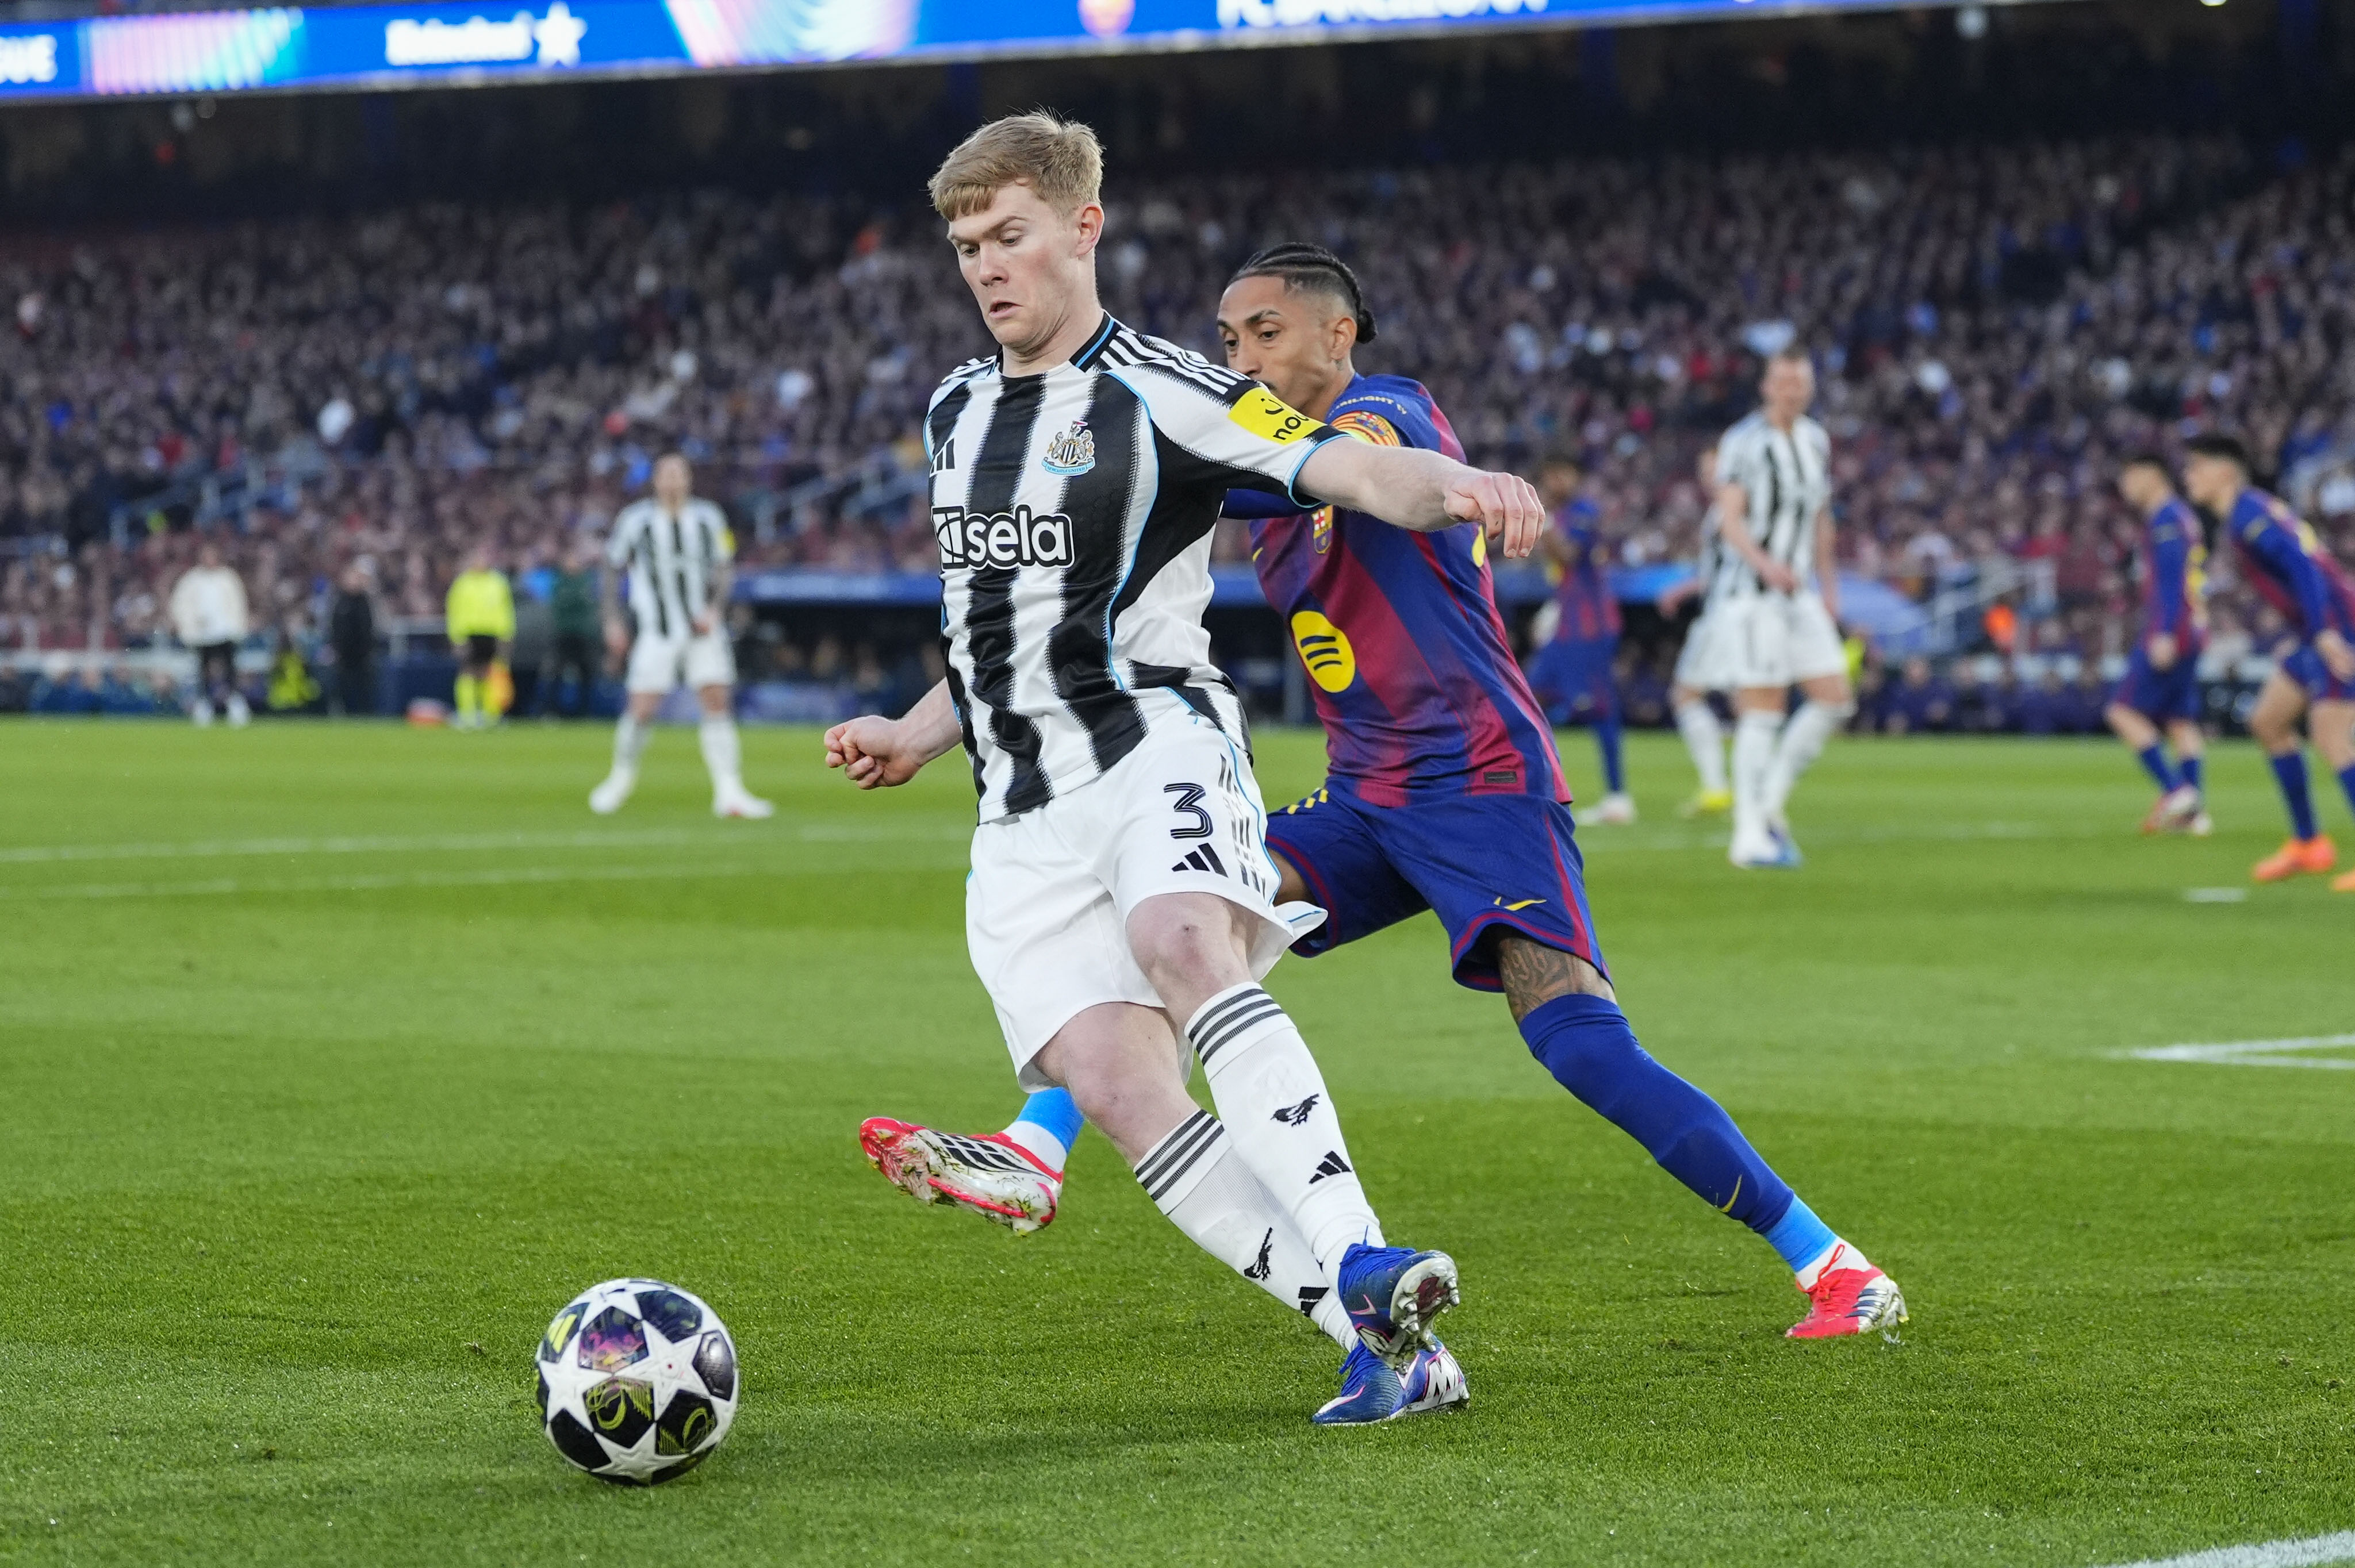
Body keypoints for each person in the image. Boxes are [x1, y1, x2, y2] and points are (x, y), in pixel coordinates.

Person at [858, 237, 1908, 1367]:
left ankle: (1832, 1262)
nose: (1240, 356)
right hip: (1363, 796)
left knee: (1574, 1038)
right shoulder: (1254, 463)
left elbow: (1381, 464)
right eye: (1225, 340)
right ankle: (1040, 1140)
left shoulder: (1382, 413)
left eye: (1263, 332)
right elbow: (1071, 610)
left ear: (1335, 334)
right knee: (1174, 917)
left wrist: (1456, 483)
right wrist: (924, 729)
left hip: (1479, 784)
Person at [826, 121, 1552, 1425]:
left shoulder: (1167, 390)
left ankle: (1363, 1245)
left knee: (1182, 935)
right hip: (1019, 817)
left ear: (1082, 227)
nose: (988, 268)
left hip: (1155, 739)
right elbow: (999, 631)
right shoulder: (954, 409)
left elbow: (1357, 464)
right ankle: (1378, 1339)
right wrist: (914, 730)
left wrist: (1465, 482)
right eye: (967, 246)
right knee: (1116, 1087)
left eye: (1010, 237)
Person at [2178, 434, 2355, 889]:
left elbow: (2305, 568)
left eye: (2198, 466)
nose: (2189, 475)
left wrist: (2325, 632)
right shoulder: (2247, 513)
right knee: (2269, 722)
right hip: (2317, 629)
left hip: (2339, 626)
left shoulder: (2250, 516)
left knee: (2332, 735)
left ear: (2227, 471)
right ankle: (2308, 843)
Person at [1716, 351, 1852, 870]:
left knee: (1835, 699)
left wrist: (1829, 586)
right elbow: (1730, 518)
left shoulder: (1816, 440)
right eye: (1785, 382)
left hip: (1801, 595)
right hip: (1750, 592)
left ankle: (1769, 803)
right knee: (1762, 707)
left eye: (1801, 382)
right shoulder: (1744, 442)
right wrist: (1764, 563)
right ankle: (1747, 835)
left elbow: (1821, 519)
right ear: (1768, 386)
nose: (1793, 391)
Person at [590, 455, 771, 818]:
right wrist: (612, 619)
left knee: (717, 700)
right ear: (656, 480)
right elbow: (612, 567)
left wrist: (716, 609)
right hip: (658, 630)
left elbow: (723, 568)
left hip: (703, 629)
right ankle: (620, 779)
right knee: (641, 708)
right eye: (666, 474)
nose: (673, 481)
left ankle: (729, 791)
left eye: (679, 474)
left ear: (688, 479)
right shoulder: (635, 520)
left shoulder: (708, 517)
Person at [2104, 456, 2211, 836]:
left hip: (2173, 629)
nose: (2125, 487)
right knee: (2180, 722)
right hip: (2194, 627)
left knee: (2121, 712)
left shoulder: (2166, 519)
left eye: (2129, 477)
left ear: (2152, 476)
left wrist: (2164, 631)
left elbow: (2170, 581)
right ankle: (2194, 814)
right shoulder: (2182, 516)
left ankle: (2176, 790)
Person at [1527, 454, 1634, 825]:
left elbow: (1570, 557)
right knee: (1526, 696)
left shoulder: (1583, 511)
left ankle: (1618, 797)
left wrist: (1541, 524)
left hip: (1591, 625)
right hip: (1566, 621)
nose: (1555, 481)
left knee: (1599, 707)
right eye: (1550, 474)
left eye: (1561, 473)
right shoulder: (1558, 514)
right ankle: (1532, 789)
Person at [1660, 445, 1735, 817]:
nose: (1710, 479)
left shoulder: (1733, 511)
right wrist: (1683, 590)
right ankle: (1728, 789)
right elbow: (1717, 573)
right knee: (1743, 701)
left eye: (1715, 471)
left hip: (1726, 617)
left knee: (1687, 696)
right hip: (1725, 612)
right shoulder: (1720, 512)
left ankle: (1719, 787)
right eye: (1705, 472)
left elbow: (1730, 573)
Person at [168, 539, 250, 727]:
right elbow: (181, 604)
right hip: (201, 633)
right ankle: (204, 705)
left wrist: (238, 626)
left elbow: (238, 604)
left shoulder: (228, 578)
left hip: (226, 631)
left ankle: (234, 704)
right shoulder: (192, 579)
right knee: (203, 669)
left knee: (229, 669)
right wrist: (187, 625)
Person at [444, 545, 514, 731]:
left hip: (492, 633)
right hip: (469, 633)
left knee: (490, 673)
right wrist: (457, 637)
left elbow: (505, 610)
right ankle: (467, 715)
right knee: (468, 672)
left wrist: (506, 634)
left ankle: (490, 715)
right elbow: (455, 612)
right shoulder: (463, 584)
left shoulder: (498, 582)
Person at [549, 542, 604, 718]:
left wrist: (572, 599)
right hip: (564, 633)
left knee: (587, 673)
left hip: (584, 634)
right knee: (557, 672)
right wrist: (575, 599)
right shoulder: (560, 581)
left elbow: (585, 603)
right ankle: (554, 711)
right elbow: (562, 603)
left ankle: (584, 711)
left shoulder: (587, 580)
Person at [328, 563, 377, 717]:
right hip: (344, 657)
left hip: (362, 657)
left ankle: (364, 716)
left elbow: (368, 629)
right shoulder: (340, 601)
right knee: (345, 690)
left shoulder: (364, 601)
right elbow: (335, 628)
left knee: (364, 691)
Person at [510, 577, 553, 720]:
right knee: (530, 689)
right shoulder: (539, 608)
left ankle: (517, 713)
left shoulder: (511, 609)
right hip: (534, 657)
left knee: (517, 689)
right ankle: (530, 713)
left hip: (516, 658)